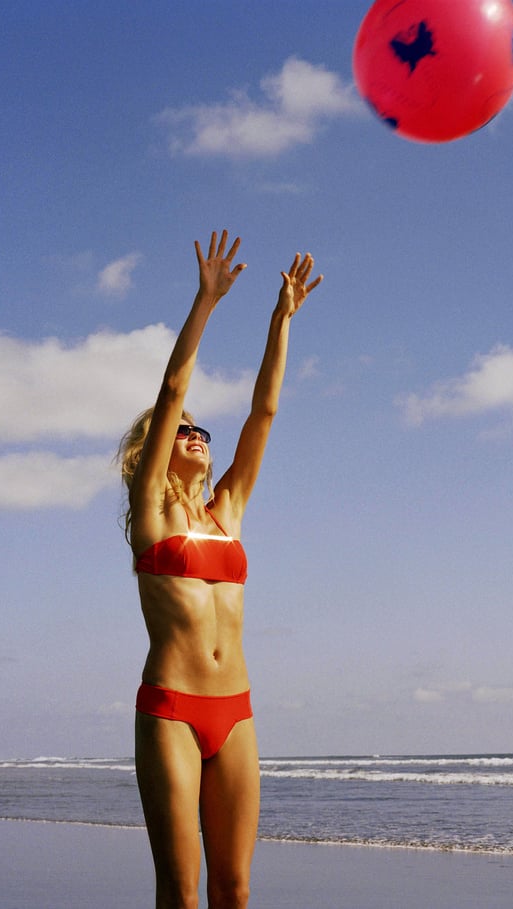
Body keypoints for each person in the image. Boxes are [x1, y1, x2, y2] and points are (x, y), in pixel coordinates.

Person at [118, 229, 322, 909]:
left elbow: (264, 412)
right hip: (172, 708)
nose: (197, 435)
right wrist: (206, 302)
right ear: (155, 448)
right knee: (181, 891)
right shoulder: (152, 513)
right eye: (184, 431)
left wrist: (280, 319)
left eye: (202, 431)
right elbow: (174, 387)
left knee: (234, 888)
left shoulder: (228, 509)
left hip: (236, 710)